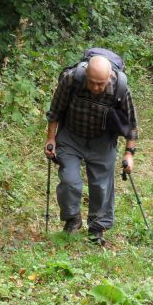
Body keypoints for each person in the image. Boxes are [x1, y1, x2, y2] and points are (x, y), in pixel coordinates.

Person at [45, 54, 138, 245]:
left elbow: (131, 124)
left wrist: (129, 153)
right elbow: (55, 111)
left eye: (101, 84)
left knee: (101, 186)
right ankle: (72, 219)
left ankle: (97, 229)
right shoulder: (71, 80)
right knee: (70, 181)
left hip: (102, 141)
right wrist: (51, 139)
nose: (96, 88)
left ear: (110, 77)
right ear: (86, 74)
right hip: (71, 136)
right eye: (92, 82)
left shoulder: (120, 88)